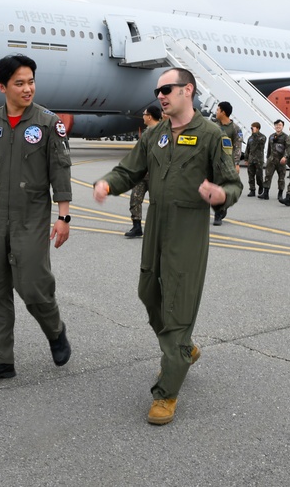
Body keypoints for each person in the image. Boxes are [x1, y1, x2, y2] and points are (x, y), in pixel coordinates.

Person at [93, 67, 242, 425]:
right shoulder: (155, 134)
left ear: (187, 90)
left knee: (177, 304)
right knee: (149, 292)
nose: (161, 95)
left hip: (189, 226)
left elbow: (232, 184)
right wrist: (108, 184)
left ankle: (167, 391)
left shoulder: (211, 135)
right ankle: (184, 349)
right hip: (157, 222)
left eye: (167, 88)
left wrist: (221, 195)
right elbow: (130, 170)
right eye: (158, 90)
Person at [0, 55, 73, 385]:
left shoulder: (47, 123)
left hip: (32, 218)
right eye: (19, 83)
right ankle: (1, 359)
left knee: (33, 285)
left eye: (31, 81)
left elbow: (61, 172)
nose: (28, 88)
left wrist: (64, 216)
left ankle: (55, 332)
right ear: (2, 87)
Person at [125, 105, 162, 238]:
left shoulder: (163, 132)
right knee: (135, 198)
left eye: (144, 114)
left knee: (157, 202)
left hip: (156, 174)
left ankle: (159, 229)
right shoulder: (147, 132)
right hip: (142, 174)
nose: (143, 116)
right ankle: (137, 227)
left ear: (150, 116)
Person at [213, 101, 241, 226]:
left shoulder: (235, 129)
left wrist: (236, 163)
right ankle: (220, 208)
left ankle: (219, 212)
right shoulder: (213, 126)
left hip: (226, 163)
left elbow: (237, 147)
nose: (216, 112)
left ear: (223, 112)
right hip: (213, 161)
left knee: (222, 187)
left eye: (218, 110)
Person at [261, 119, 289, 200]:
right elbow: (269, 148)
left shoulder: (286, 137)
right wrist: (268, 158)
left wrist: (285, 157)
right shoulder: (271, 136)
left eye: (280, 125)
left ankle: (280, 194)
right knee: (267, 176)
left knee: (281, 178)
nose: (278, 127)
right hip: (271, 160)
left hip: (281, 161)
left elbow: (288, 149)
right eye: (276, 125)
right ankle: (265, 193)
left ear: (282, 126)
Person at [244, 121, 266, 198]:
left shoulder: (262, 137)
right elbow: (248, 148)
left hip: (258, 159)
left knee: (259, 176)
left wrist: (255, 134)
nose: (252, 129)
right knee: (250, 175)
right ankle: (252, 190)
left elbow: (260, 143)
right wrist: (246, 159)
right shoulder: (250, 138)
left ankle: (261, 185)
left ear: (258, 128)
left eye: (253, 127)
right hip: (251, 159)